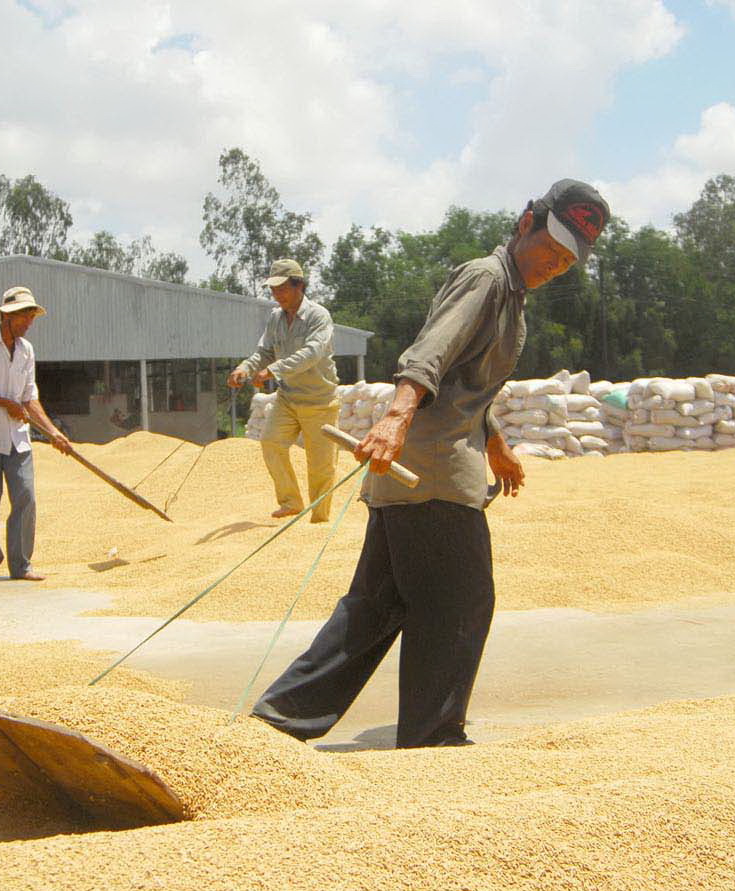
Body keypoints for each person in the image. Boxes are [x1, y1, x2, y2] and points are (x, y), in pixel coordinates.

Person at [252, 180, 611, 748]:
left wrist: (495, 441)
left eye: (566, 261)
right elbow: (430, 354)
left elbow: (467, 384)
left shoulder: (509, 296)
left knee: (374, 608)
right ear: (525, 224)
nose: (554, 265)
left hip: (418, 470)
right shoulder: (487, 279)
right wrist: (395, 418)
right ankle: (433, 736)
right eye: (550, 248)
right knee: (461, 599)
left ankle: (274, 725)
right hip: (432, 475)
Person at [0, 285, 73, 581]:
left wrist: (53, 432)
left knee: (26, 496)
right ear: (7, 316)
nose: (29, 323)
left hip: (17, 439)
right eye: (24, 316)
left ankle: (21, 566)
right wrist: (6, 403)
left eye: (32, 317)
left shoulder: (26, 351)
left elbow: (29, 398)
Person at [228, 258, 341, 522]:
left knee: (321, 464)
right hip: (288, 397)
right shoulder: (276, 318)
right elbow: (265, 351)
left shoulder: (318, 316)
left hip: (319, 400)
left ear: (298, 285)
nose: (277, 295)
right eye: (273, 289)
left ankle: (320, 519)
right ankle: (291, 502)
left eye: (282, 288)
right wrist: (245, 368)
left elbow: (312, 353)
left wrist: (273, 370)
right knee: (270, 442)